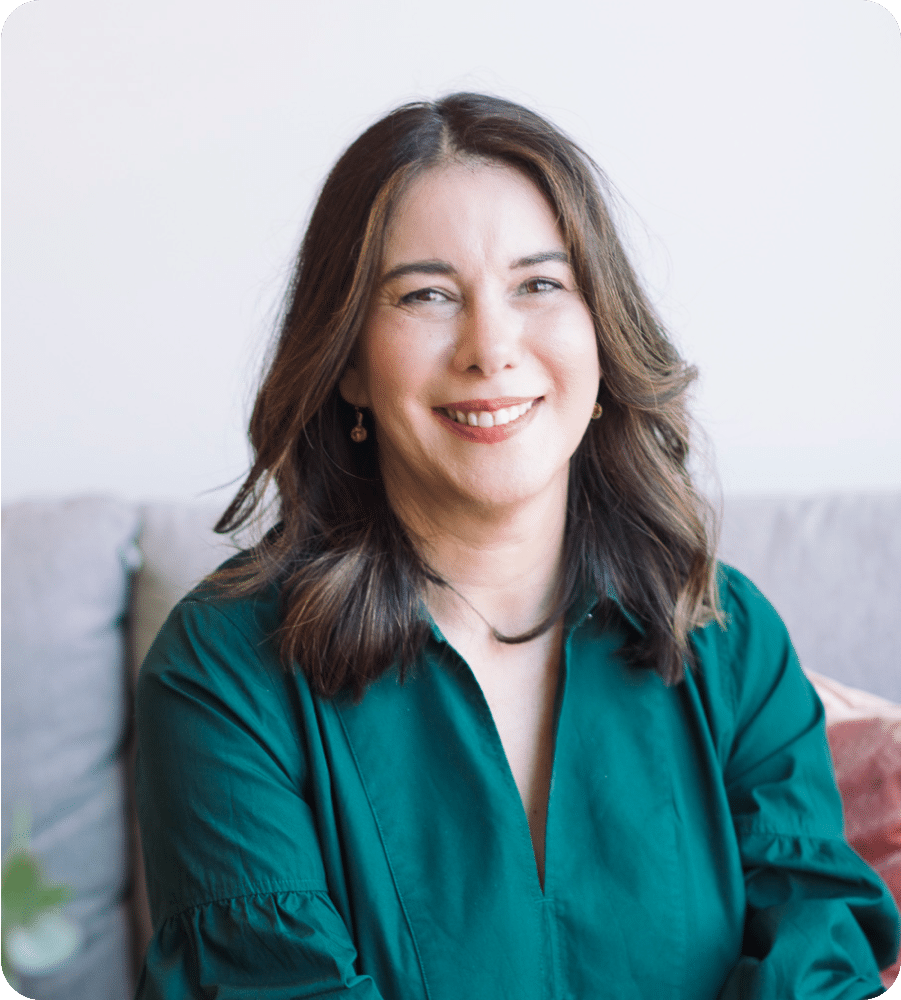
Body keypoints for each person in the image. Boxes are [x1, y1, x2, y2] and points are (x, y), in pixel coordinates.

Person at [134, 93, 899, 999]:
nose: (490, 347)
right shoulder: (220, 671)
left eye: (539, 284)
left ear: (602, 334)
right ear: (347, 364)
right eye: (425, 294)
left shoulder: (730, 640)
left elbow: (816, 969)